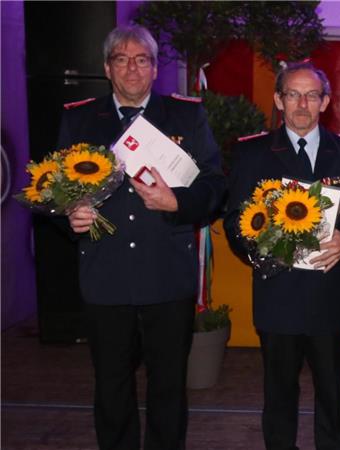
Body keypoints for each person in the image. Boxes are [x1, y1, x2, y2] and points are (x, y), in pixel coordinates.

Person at [64, 25, 225, 449]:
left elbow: (214, 186)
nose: (132, 68)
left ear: (155, 69)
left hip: (165, 273)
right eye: (122, 59)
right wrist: (68, 213)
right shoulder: (79, 118)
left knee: (168, 389)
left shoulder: (186, 116)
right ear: (106, 68)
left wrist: (178, 204)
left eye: (141, 60)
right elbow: (51, 190)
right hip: (106, 274)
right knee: (111, 388)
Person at [223, 62, 340, 450]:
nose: (302, 104)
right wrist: (259, 247)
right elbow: (234, 222)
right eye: (293, 94)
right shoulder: (251, 154)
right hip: (278, 293)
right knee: (278, 394)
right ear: (278, 99)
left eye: (311, 95)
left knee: (331, 392)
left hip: (329, 293)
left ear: (325, 101)